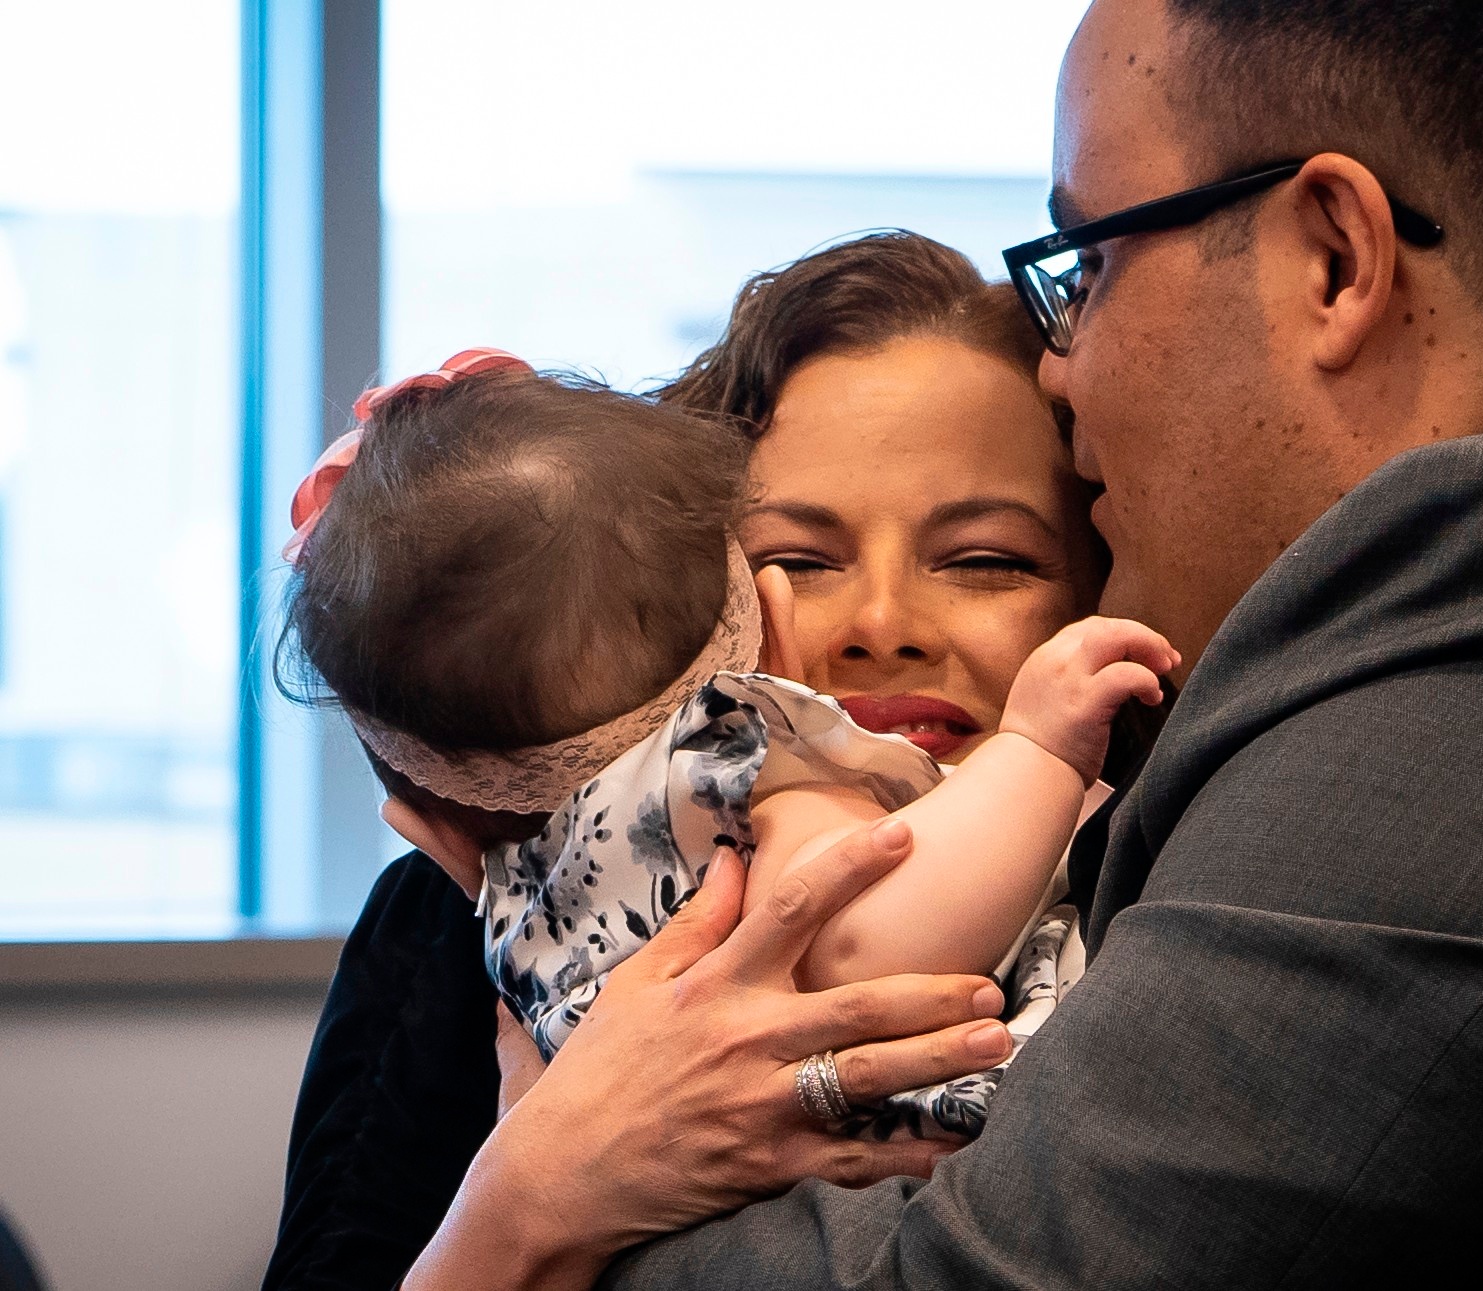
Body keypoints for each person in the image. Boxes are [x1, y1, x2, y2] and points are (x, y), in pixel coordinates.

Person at [391, 0, 1483, 1286]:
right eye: (798, 559)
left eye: (1088, 265)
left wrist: (547, 1189)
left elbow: (1005, 1267)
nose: (1061, 361)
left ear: (1334, 258)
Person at [263, 232, 1138, 1288]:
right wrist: (530, 1193)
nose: (881, 624)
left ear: (1096, 582)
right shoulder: (448, 930)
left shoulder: (1165, 867)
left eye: (985, 559)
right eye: (798, 560)